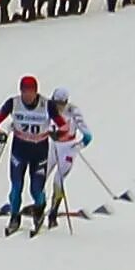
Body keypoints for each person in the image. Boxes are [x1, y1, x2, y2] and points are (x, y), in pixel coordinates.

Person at [0, 74, 66, 234]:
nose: (27, 95)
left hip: (40, 152)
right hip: (19, 151)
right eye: (24, 92)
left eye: (30, 92)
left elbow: (63, 126)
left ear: (36, 92)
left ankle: (39, 210)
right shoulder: (13, 103)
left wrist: (57, 134)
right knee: (16, 188)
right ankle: (14, 217)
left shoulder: (47, 105)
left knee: (36, 189)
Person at [46, 87, 91, 216]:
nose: (58, 107)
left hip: (68, 149)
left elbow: (88, 136)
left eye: (61, 104)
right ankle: (40, 206)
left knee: (57, 180)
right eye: (55, 103)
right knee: (40, 177)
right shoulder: (48, 109)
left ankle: (53, 212)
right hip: (53, 147)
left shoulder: (73, 112)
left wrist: (77, 148)